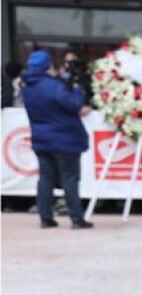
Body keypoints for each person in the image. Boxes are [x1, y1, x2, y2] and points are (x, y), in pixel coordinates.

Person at [21, 50, 94, 229]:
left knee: (45, 179)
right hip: (65, 139)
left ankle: (45, 218)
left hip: (41, 139)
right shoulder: (53, 86)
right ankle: (77, 218)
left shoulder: (28, 87)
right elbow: (74, 104)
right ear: (48, 66)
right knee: (70, 179)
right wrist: (77, 89)